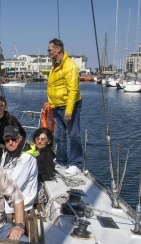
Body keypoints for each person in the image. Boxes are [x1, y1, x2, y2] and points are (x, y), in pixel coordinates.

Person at [47, 38, 83, 175]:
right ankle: (61, 160)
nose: (48, 52)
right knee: (59, 135)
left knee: (74, 135)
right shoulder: (55, 64)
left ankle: (76, 163)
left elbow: (73, 89)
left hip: (69, 106)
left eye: (50, 50)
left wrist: (69, 110)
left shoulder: (70, 66)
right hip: (56, 106)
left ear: (58, 49)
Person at [0, 126, 38, 212]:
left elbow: (15, 184)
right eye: (7, 140)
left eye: (14, 139)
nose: (10, 143)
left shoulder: (27, 158)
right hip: (6, 196)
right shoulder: (7, 153)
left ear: (20, 139)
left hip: (20, 203)